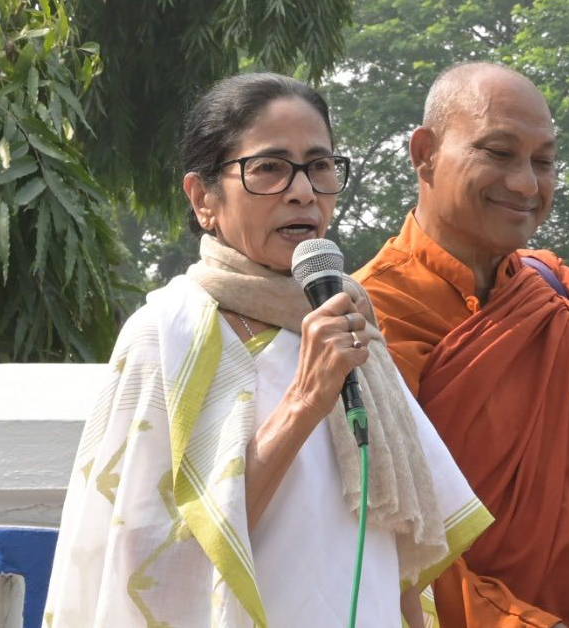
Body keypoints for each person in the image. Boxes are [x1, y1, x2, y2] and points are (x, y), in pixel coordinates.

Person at [41, 72, 490, 628]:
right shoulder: (169, 334)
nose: (303, 191)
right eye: (270, 168)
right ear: (203, 198)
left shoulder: (351, 326)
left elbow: (396, 560)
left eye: (319, 166)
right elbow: (148, 564)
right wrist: (304, 402)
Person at [352, 62, 569, 628]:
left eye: (543, 161)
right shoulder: (368, 319)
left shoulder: (563, 300)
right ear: (425, 153)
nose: (527, 184)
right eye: (499, 153)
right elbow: (386, 542)